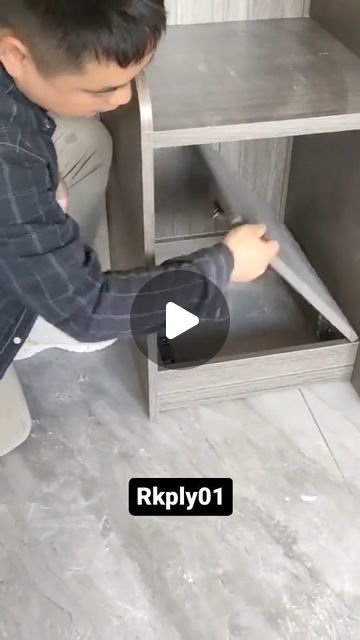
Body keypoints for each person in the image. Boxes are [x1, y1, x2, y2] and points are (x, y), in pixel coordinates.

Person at [0, 0, 279, 456]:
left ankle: (44, 302)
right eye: (102, 89)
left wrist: (41, 190)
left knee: (85, 141)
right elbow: (91, 310)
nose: (123, 99)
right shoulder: (8, 159)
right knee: (11, 429)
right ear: (15, 54)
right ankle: (42, 308)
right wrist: (223, 265)